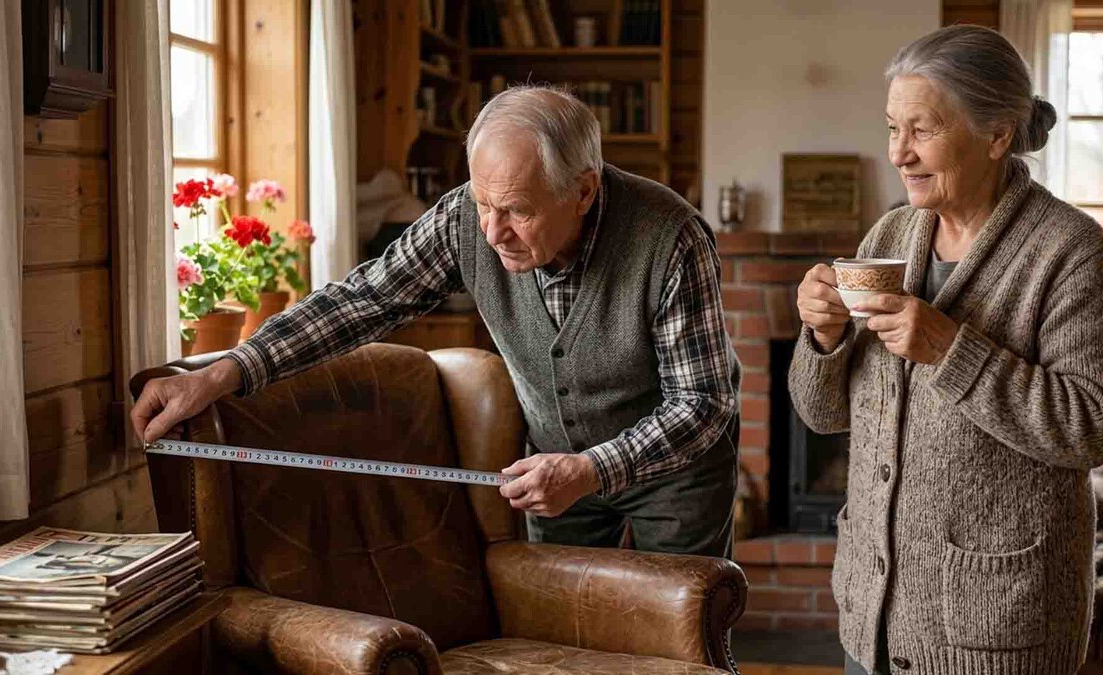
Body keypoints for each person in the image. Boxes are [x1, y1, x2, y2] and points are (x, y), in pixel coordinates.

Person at [131, 85, 741, 558]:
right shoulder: (461, 221)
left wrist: (591, 468)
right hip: (552, 470)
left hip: (672, 473)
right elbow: (359, 303)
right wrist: (223, 372)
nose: (490, 231)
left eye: (517, 211)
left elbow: (702, 404)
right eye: (482, 202)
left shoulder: (671, 239)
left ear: (582, 192)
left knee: (682, 646)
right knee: (570, 641)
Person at [791, 25, 1103, 675]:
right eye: (892, 128)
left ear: (997, 134)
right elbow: (822, 414)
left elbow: (1093, 427)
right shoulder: (890, 233)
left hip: (993, 630)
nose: (899, 153)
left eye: (922, 130)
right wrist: (823, 337)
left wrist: (951, 349)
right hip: (870, 616)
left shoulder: (1070, 251)